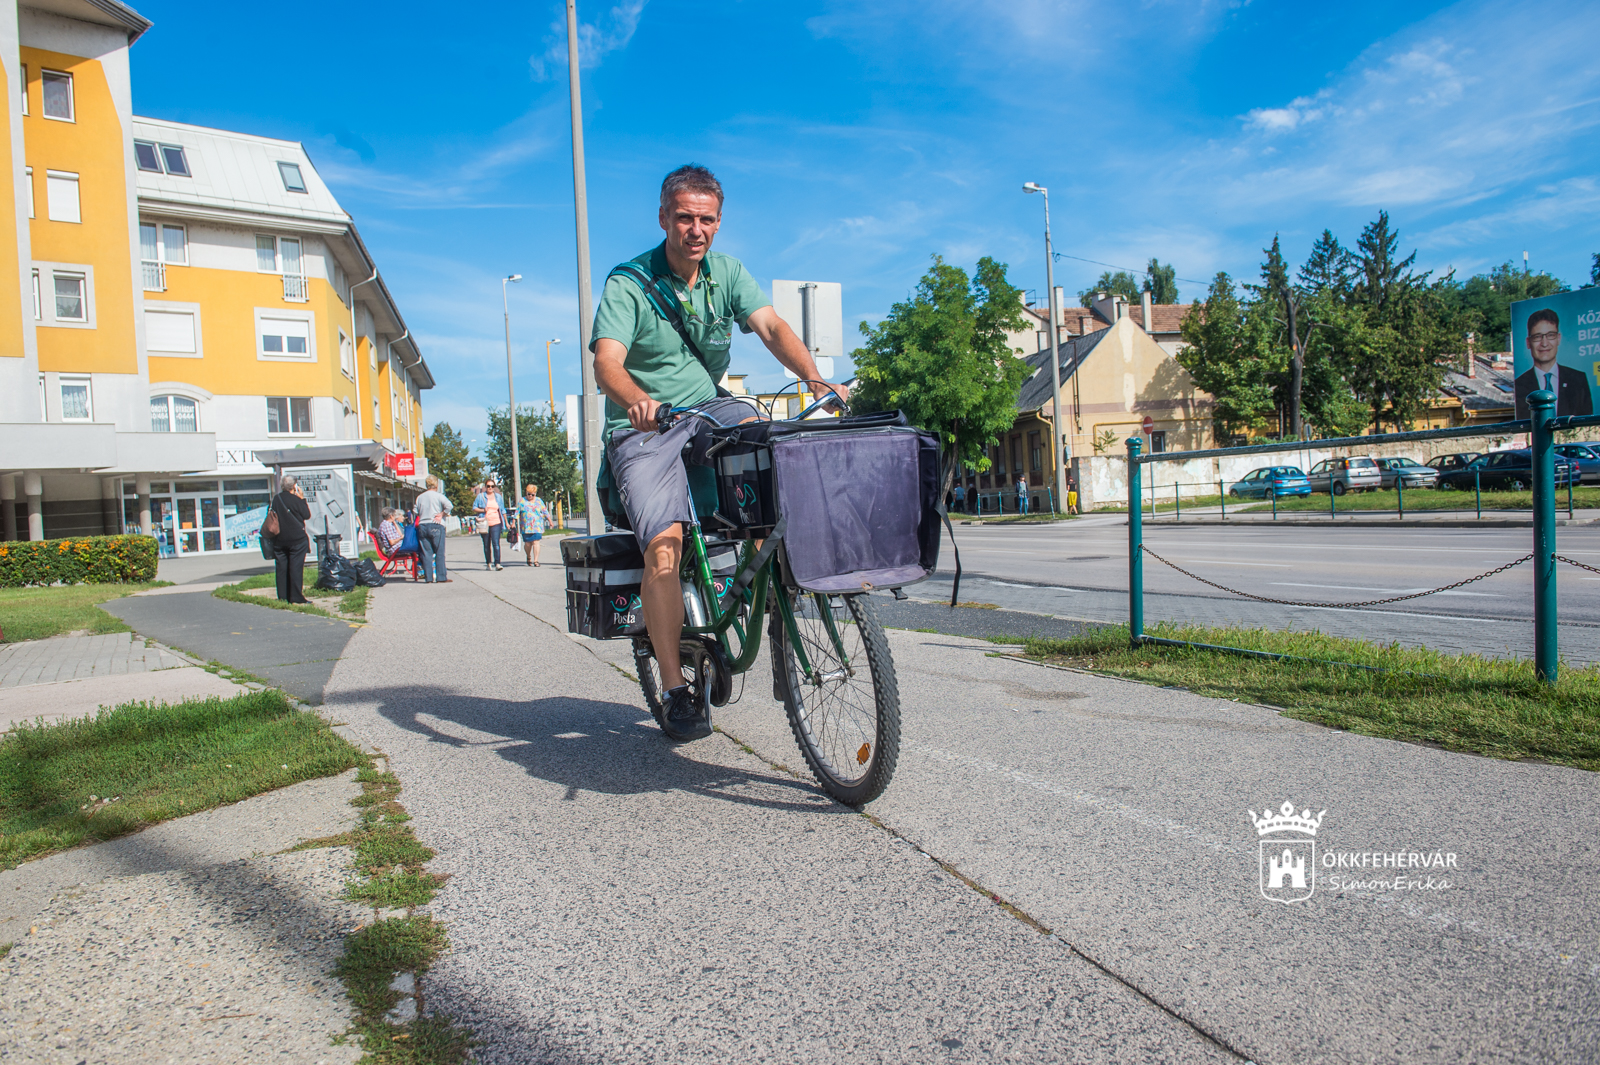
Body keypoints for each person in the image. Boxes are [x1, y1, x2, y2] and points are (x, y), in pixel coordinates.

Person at [592, 163, 847, 742]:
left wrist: (813, 378)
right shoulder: (629, 283)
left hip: (709, 410)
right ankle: (677, 687)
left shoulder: (725, 274)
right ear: (664, 219)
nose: (696, 229)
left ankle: (777, 606)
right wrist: (635, 399)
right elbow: (607, 360)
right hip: (646, 427)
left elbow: (771, 326)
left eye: (707, 219)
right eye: (684, 217)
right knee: (664, 548)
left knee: (765, 439)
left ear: (719, 222)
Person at [1515, 308, 1593, 418]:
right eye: (1537, 337)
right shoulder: (1519, 385)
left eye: (1550, 335)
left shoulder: (1578, 380)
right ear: (1528, 343)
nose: (1544, 343)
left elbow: (1587, 425)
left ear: (1558, 338)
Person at [269, 474, 312, 604]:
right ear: (294, 486)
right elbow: (306, 515)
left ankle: (283, 597)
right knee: (295, 568)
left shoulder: (277, 499)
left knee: (281, 569)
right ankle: (296, 597)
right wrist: (302, 499)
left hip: (279, 540)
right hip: (297, 540)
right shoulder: (296, 500)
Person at [414, 475, 453, 583]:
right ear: (436, 484)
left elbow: (415, 511)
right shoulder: (438, 496)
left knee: (426, 553)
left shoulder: (420, 497)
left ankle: (428, 578)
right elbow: (449, 506)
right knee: (439, 552)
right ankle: (441, 577)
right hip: (436, 524)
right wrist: (441, 514)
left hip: (423, 525)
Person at [475, 478, 507, 571]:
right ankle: (488, 563)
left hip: (496, 522)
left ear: (494, 487)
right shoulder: (480, 497)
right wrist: (482, 510)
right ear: (485, 487)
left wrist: (506, 522)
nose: (490, 488)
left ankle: (497, 563)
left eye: (492, 486)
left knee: (496, 544)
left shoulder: (498, 497)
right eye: (488, 486)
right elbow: (474, 508)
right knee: (486, 544)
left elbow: (502, 510)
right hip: (485, 523)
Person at [518, 484, 551, 567]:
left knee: (536, 542)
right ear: (526, 493)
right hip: (526, 526)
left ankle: (536, 560)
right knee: (528, 544)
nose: (530, 496)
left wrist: (550, 521)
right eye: (529, 494)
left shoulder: (539, 501)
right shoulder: (522, 501)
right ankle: (528, 556)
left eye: (532, 494)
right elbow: (517, 512)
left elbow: (545, 511)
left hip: (537, 526)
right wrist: (513, 523)